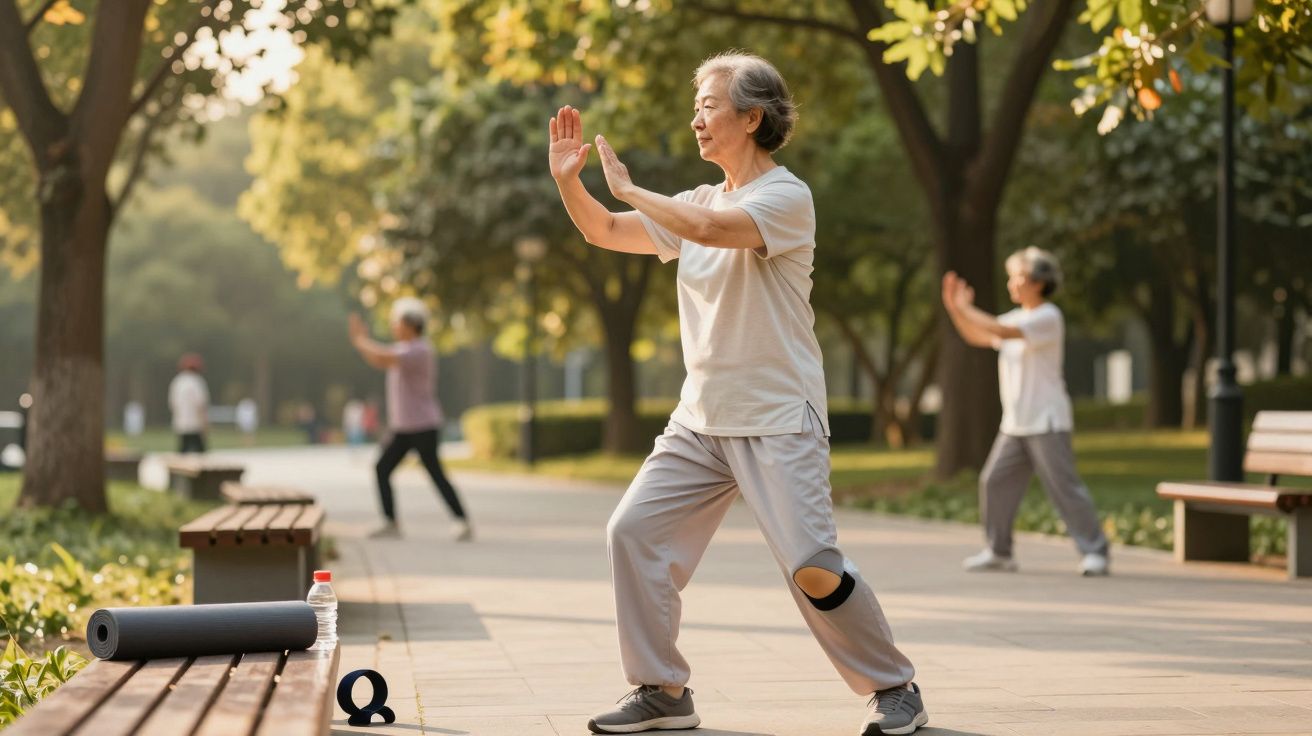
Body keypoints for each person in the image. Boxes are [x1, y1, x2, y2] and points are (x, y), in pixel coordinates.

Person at [548, 52, 926, 736]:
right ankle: (662, 690)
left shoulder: (785, 197)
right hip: (701, 420)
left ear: (752, 118)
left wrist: (632, 190)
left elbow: (714, 232)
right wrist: (570, 184)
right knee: (632, 532)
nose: (697, 118)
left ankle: (894, 687)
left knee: (813, 566)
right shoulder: (694, 198)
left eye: (709, 105)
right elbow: (602, 230)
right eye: (696, 105)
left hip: (779, 416)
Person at [940, 247, 1111, 577]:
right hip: (1015, 424)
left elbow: (999, 331)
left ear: (1038, 282)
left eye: (1017, 276)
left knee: (1064, 487)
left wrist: (967, 307)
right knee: (994, 482)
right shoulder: (1016, 318)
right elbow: (979, 335)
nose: (1011, 284)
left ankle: (1095, 552)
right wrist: (956, 310)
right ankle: (999, 552)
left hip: (1047, 420)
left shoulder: (1048, 317)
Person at [349, 298, 472, 542]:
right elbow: (378, 359)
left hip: (423, 425)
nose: (394, 327)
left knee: (435, 473)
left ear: (412, 324)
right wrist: (361, 344)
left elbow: (383, 356)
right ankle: (390, 522)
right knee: (382, 468)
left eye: (398, 322)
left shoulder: (419, 350)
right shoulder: (403, 350)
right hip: (403, 427)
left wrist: (361, 340)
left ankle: (462, 521)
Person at [168, 353, 209, 454]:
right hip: (195, 424)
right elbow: (200, 405)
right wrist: (205, 423)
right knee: (200, 454)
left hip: (181, 424)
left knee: (183, 452)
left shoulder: (177, 382)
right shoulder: (197, 381)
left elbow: (172, 404)